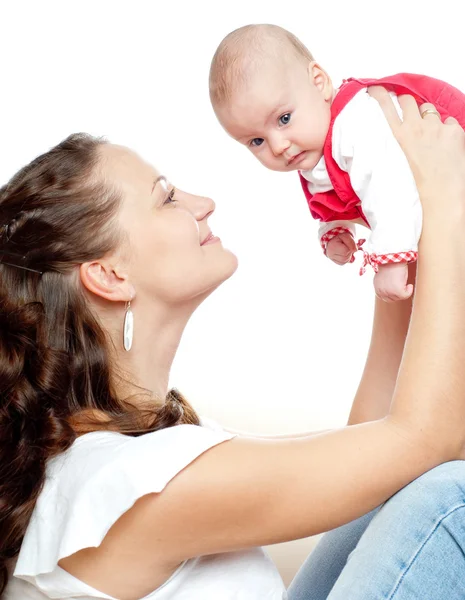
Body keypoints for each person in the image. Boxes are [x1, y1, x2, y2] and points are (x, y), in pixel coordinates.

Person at [1, 90, 465, 600]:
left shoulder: (122, 461)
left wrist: (396, 231)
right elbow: (426, 438)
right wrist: (446, 199)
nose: (204, 205)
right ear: (109, 275)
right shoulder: (125, 483)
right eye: (167, 197)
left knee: (400, 488)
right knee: (447, 501)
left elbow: (379, 455)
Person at [209, 24, 465, 302]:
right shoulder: (312, 151)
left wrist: (391, 259)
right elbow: (339, 196)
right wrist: (336, 230)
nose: (278, 146)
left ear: (318, 82)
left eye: (284, 119)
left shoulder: (354, 123)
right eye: (256, 141)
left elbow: (389, 188)